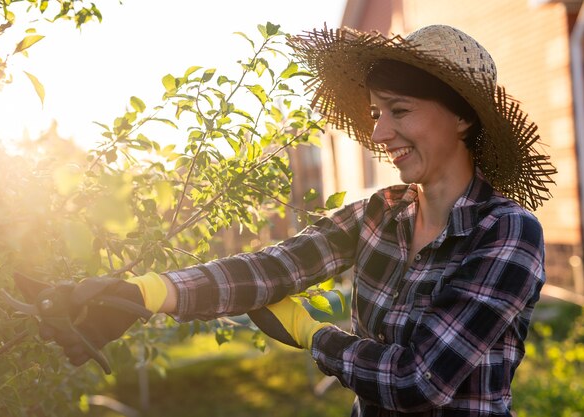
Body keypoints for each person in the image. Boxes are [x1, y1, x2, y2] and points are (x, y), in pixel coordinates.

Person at [40, 24, 557, 416]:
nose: (380, 132)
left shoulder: (507, 234)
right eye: (376, 112)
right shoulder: (383, 213)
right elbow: (273, 268)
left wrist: (314, 335)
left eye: (399, 111)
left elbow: (418, 381)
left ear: (462, 117)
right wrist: (144, 292)